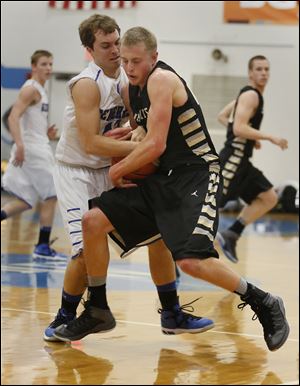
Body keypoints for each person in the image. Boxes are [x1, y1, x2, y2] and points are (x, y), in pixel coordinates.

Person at [53, 27, 290, 352]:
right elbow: (142, 132)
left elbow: (156, 142)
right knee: (93, 221)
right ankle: (97, 307)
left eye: (137, 61)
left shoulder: (161, 81)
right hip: (163, 177)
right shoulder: (129, 88)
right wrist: (131, 133)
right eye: (125, 60)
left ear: (155, 58)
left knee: (191, 260)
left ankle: (263, 301)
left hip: (196, 174)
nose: (130, 67)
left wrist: (120, 167)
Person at [44, 15, 212, 342]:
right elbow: (92, 143)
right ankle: (66, 315)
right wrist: (138, 145)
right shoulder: (87, 84)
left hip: (112, 167)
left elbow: (141, 126)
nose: (114, 51)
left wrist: (138, 135)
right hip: (78, 171)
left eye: (116, 43)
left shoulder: (130, 77)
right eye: (105, 45)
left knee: (158, 236)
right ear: (89, 50)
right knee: (83, 250)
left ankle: (171, 311)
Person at [216, 55, 288, 263]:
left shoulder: (247, 95)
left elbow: (223, 116)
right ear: (250, 73)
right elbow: (238, 128)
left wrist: (251, 137)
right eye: (258, 69)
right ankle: (176, 248)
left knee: (269, 197)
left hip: (242, 161)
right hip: (233, 159)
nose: (263, 73)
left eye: (266, 69)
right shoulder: (251, 96)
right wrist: (269, 136)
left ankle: (232, 234)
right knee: (210, 204)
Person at [1, 50, 64, 259]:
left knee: (26, 200)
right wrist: (19, 144)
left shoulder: (41, 91)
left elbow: (29, 122)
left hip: (36, 145)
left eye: (50, 64)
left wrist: (45, 133)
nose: (48, 68)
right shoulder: (30, 90)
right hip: (32, 150)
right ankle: (42, 246)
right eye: (44, 64)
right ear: (34, 67)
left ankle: (42, 245)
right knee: (52, 194)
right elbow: (12, 117)